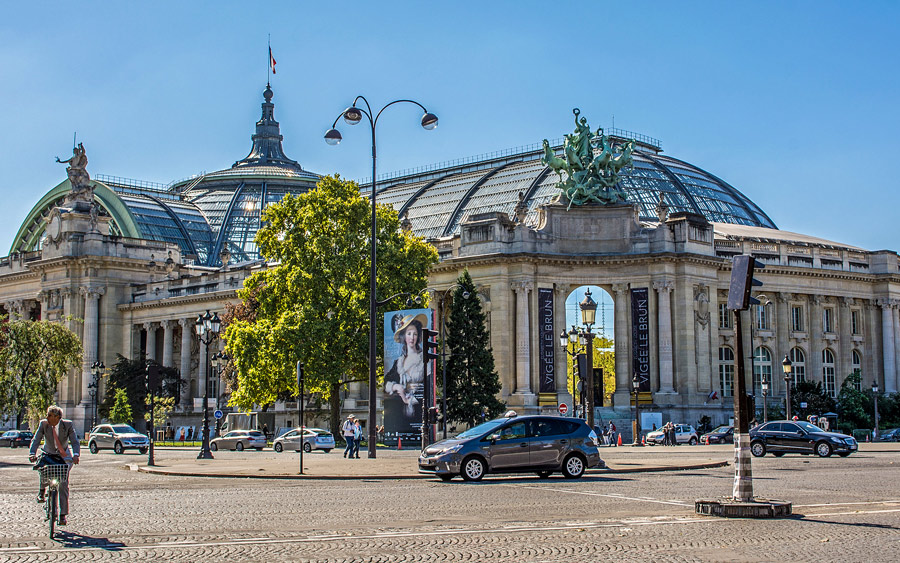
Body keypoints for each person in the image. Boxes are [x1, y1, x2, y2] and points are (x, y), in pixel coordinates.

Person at [28, 405, 80, 526]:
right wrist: (32, 453)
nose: (47, 417)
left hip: (63, 457)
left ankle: (62, 515)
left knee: (63, 484)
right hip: (48, 454)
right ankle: (41, 491)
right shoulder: (44, 424)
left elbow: (75, 441)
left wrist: (76, 455)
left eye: (50, 415)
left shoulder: (67, 425)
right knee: (42, 468)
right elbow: (36, 440)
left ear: (57, 417)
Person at [384, 314, 427, 417]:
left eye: (415, 334)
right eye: (409, 334)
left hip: (420, 411)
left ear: (418, 336)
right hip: (398, 413)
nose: (412, 337)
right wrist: (397, 387)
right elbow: (386, 382)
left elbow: (428, 386)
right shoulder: (398, 362)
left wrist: (411, 398)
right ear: (404, 337)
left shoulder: (424, 359)